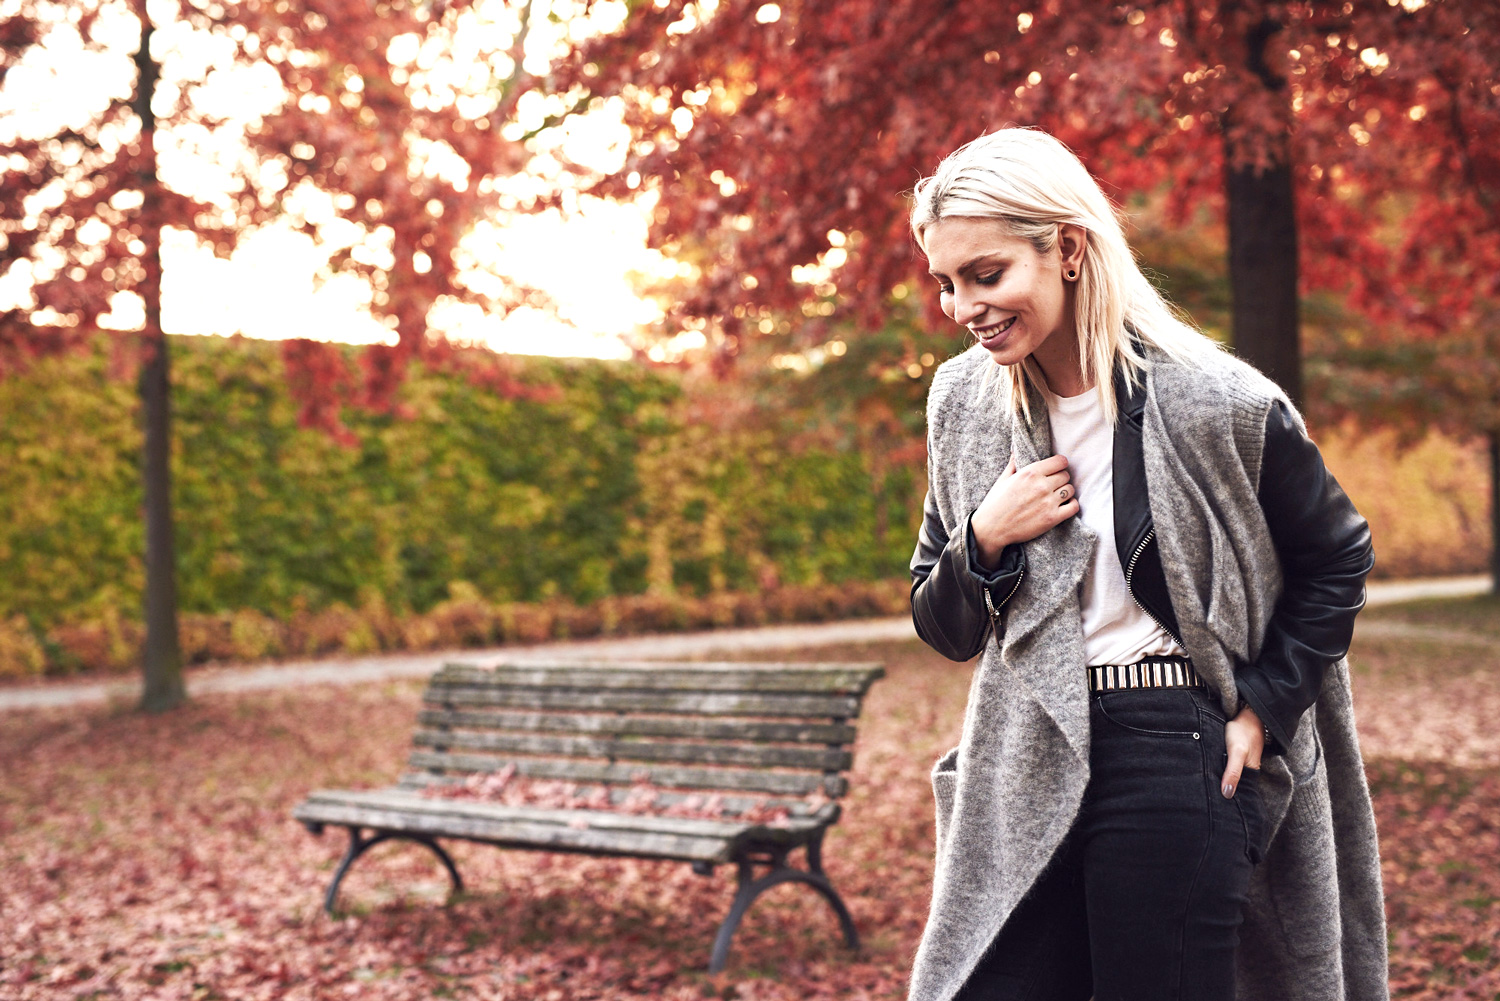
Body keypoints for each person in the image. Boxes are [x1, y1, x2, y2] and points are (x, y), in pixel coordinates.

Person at [904, 128, 1387, 1001]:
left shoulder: (1220, 400)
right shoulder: (963, 401)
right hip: (1024, 744)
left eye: (986, 274)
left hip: (1176, 741)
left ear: (1069, 249)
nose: (963, 306)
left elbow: (1338, 556)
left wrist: (1264, 710)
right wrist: (983, 536)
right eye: (946, 282)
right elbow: (942, 623)